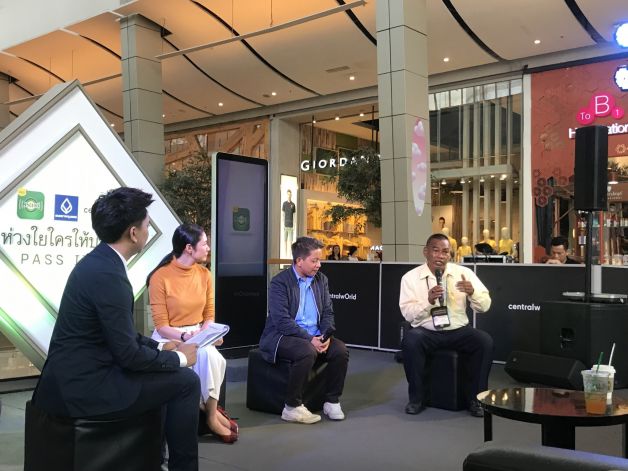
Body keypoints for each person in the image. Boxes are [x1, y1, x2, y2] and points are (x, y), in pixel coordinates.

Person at [33, 187, 200, 471]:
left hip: (73, 378)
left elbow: (119, 334)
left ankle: (156, 460)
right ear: (133, 233)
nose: (148, 231)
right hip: (84, 389)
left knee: (167, 375)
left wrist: (160, 346)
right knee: (186, 382)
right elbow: (128, 355)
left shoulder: (99, 263)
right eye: (147, 225)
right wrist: (181, 358)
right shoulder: (109, 274)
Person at [147, 224, 237, 443]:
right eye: (204, 243)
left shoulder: (205, 274)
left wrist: (207, 334)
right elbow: (161, 325)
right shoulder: (160, 277)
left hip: (197, 331)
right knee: (201, 357)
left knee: (213, 357)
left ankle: (211, 414)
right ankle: (211, 413)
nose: (208, 248)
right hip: (170, 336)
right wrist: (186, 338)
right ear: (189, 248)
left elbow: (209, 315)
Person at [399, 233, 493, 417]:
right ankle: (417, 399)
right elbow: (408, 314)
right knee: (410, 341)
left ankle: (476, 399)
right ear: (426, 252)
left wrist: (473, 292)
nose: (441, 256)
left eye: (445, 252)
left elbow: (485, 306)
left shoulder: (463, 273)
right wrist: (428, 301)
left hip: (459, 330)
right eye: (436, 251)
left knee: (484, 341)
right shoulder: (410, 278)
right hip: (427, 331)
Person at [259, 236, 350, 424]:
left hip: (314, 335)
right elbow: (282, 321)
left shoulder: (321, 280)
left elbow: (327, 312)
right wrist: (310, 339)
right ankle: (291, 406)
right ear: (299, 261)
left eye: (319, 260)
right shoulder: (279, 282)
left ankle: (332, 401)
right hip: (283, 335)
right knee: (307, 351)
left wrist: (325, 335)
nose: (319, 265)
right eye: (314, 261)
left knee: (340, 350)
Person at [282, 189, 296, 256]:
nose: (289, 196)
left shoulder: (293, 204)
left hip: (291, 226)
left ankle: (289, 255)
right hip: (285, 225)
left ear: (291, 195)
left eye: (290, 194)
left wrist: (294, 225)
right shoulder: (284, 204)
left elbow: (294, 216)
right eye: (288, 194)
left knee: (290, 241)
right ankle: (285, 255)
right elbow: (283, 214)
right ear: (286, 195)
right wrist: (283, 224)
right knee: (285, 240)